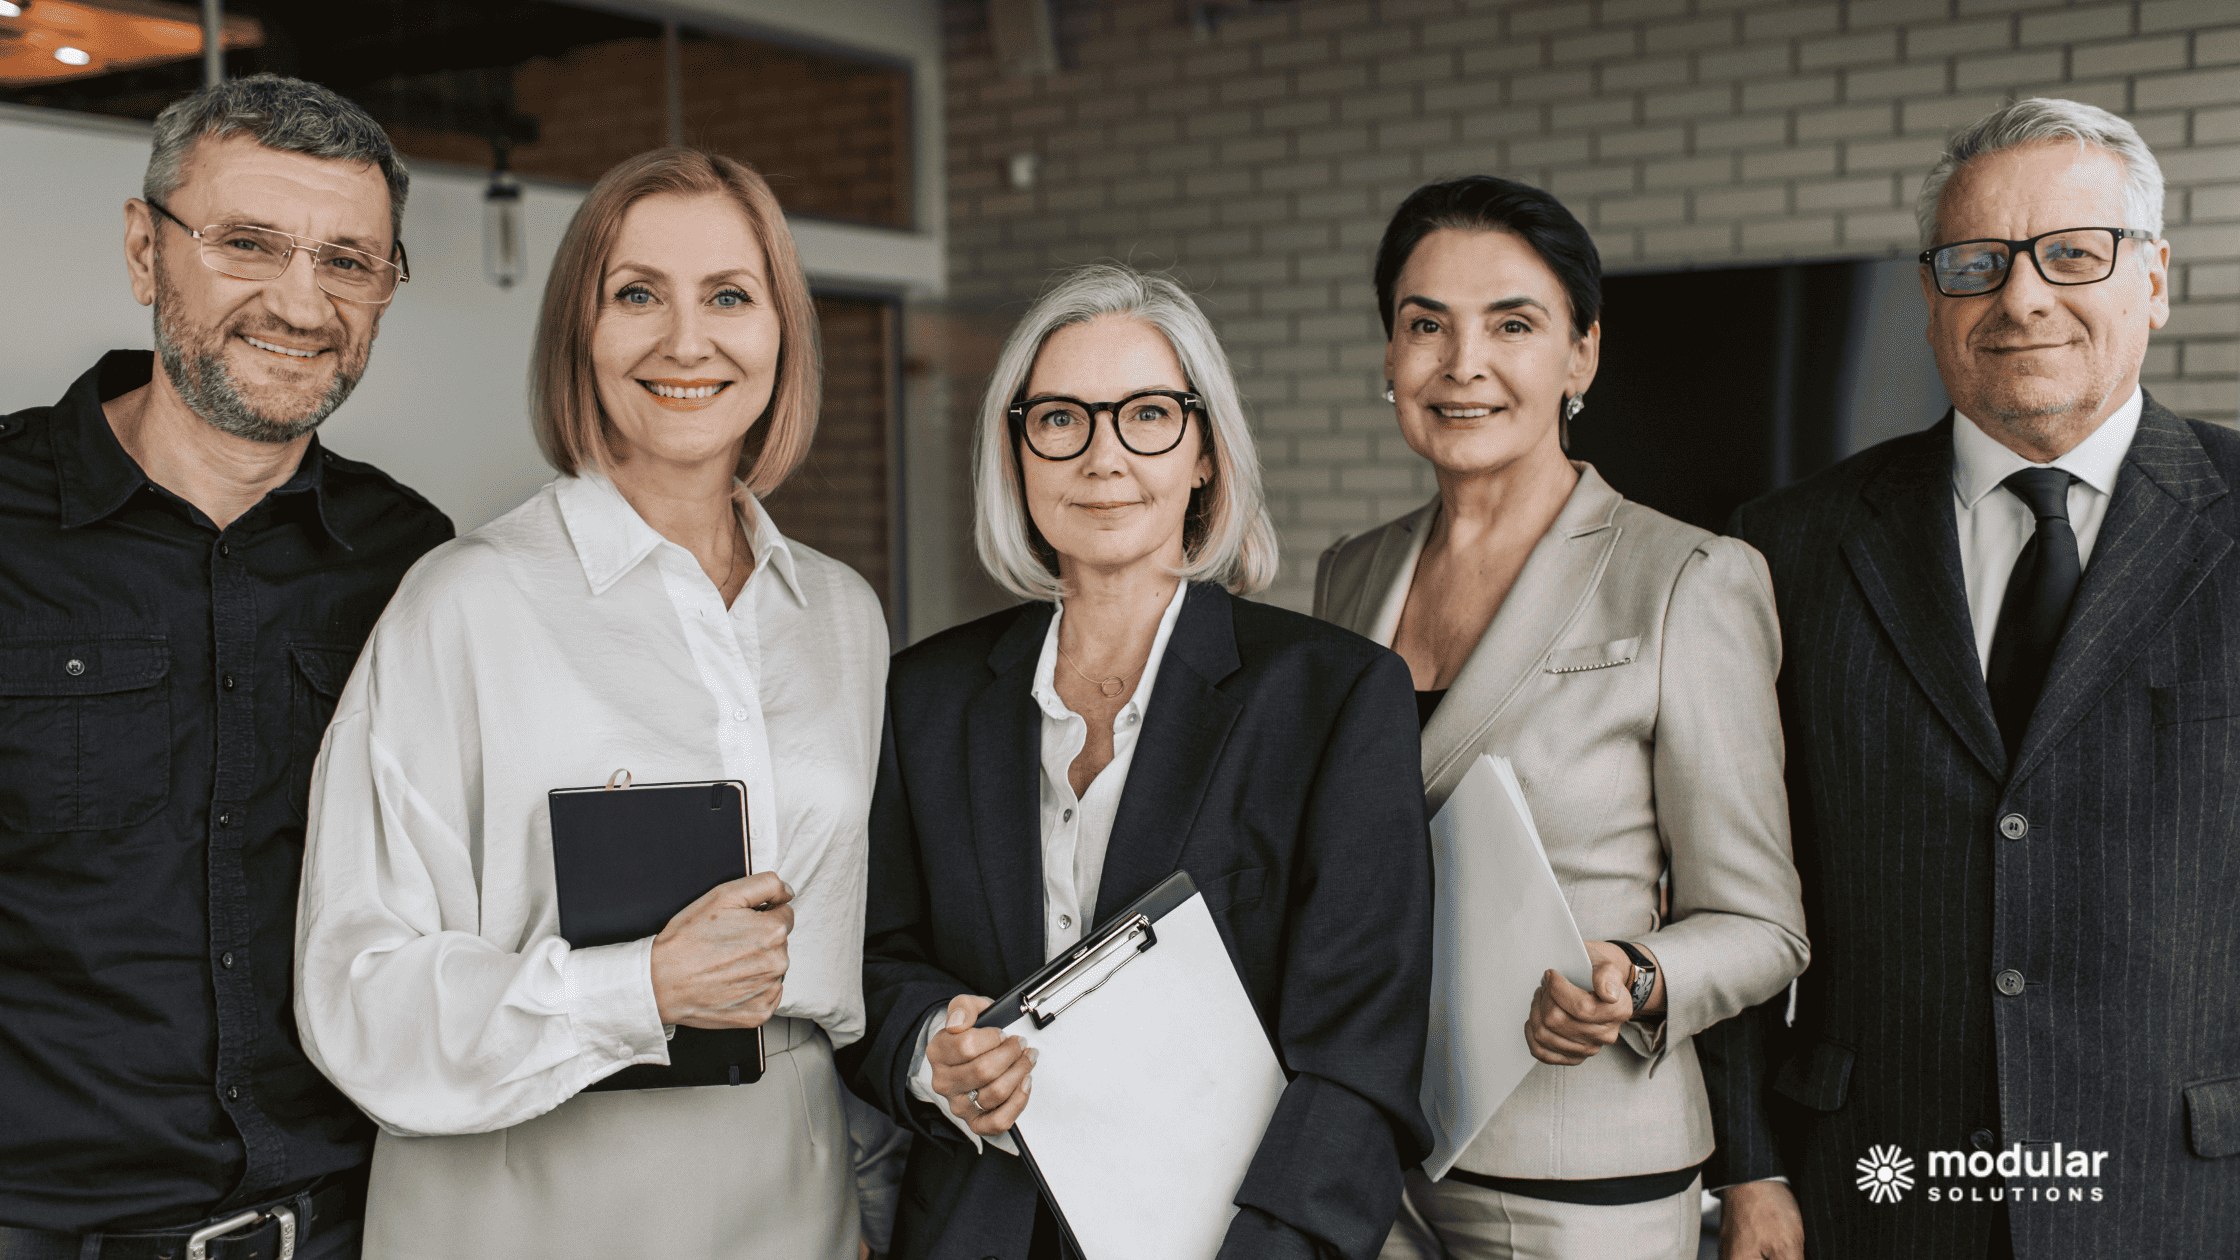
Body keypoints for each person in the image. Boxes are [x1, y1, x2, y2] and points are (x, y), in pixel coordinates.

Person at [292, 149, 886, 1259]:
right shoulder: (465, 603)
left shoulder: (839, 617)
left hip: (793, 1187)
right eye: (635, 295)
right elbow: (355, 990)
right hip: (529, 1189)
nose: (685, 340)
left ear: (781, 333)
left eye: (728, 296)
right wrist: (641, 986)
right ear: (580, 332)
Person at [1701, 97, 2240, 1260]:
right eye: (1975, 261)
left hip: (2181, 1190)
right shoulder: (1784, 545)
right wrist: (1743, 1162)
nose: (2020, 296)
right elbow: (1724, 869)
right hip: (1873, 1185)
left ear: (2151, 280)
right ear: (1931, 296)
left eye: (2071, 254)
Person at [842, 262, 1434, 1259]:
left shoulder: (1333, 698)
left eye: (1147, 415)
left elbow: (1359, 1058)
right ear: (1017, 452)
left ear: (1203, 451)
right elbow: (868, 960)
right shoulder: (924, 697)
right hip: (972, 1231)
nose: (1102, 456)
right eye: (1060, 419)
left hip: (1227, 1239)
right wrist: (925, 1051)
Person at [1313, 176, 1811, 1260]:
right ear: (1389, 354)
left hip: (1581, 1167)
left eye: (1512, 324)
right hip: (1369, 1152)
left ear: (1579, 356)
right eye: (1423, 325)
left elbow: (1764, 927)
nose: (1462, 364)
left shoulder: (1685, 577)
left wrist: (1632, 978)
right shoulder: (1349, 577)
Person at [0, 75, 452, 1260]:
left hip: (356, 1225)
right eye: (249, 244)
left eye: (350, 261)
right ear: (147, 251)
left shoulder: (415, 562)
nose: (302, 303)